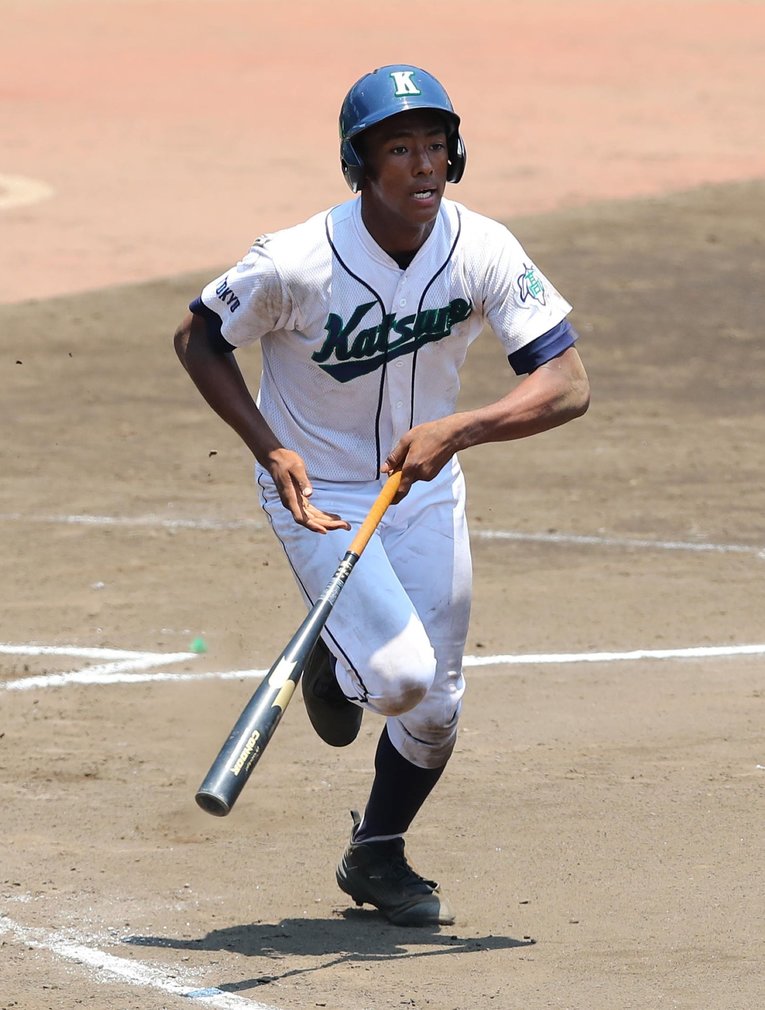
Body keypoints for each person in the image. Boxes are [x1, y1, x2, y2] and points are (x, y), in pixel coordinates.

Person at [174, 65, 590, 927]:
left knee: (437, 706)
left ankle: (375, 852)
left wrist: (461, 428)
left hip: (424, 488)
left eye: (435, 145)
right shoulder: (292, 261)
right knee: (398, 679)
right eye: (399, 149)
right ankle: (342, 653)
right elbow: (198, 337)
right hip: (316, 490)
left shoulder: (481, 249)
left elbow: (567, 383)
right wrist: (269, 445)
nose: (423, 165)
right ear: (359, 165)